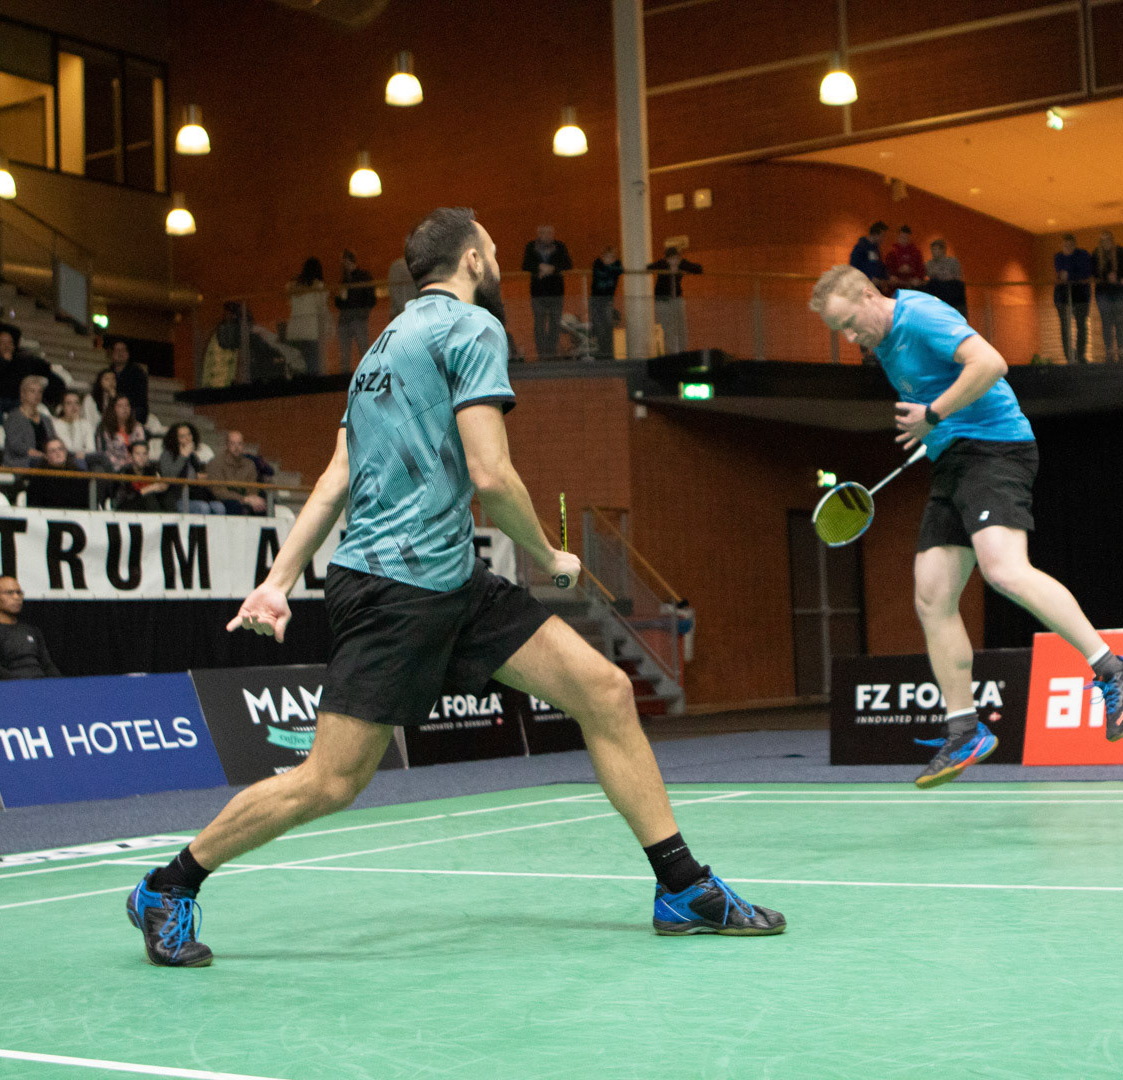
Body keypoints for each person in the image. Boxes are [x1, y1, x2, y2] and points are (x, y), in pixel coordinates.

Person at [126, 206, 783, 968]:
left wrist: (278, 581)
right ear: (471, 259)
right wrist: (548, 554)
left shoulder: (380, 351)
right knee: (331, 781)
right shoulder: (472, 330)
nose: (498, 262)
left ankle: (682, 886)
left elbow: (337, 475)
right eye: (494, 251)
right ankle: (168, 886)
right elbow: (490, 475)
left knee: (603, 691)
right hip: (393, 588)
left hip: (450, 577)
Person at [809, 264, 1123, 787]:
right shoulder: (886, 345)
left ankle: (1114, 669)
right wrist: (936, 432)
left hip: (996, 449)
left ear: (870, 297)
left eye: (850, 323)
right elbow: (944, 396)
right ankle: (964, 729)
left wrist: (934, 414)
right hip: (954, 460)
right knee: (932, 596)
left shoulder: (920, 315)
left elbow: (991, 363)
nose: (851, 338)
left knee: (1004, 570)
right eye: (841, 332)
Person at [0, 576, 61, 680]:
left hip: (42, 684)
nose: (16, 597)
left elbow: (48, 665)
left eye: (19, 593)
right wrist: (25, 685)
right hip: (12, 687)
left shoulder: (32, 630)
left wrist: (61, 684)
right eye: (9, 593)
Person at [522, 224, 572, 361]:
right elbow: (525, 265)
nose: (547, 236)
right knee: (539, 323)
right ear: (539, 234)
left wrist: (552, 269)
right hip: (538, 292)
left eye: (549, 233)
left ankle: (551, 352)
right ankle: (542, 353)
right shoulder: (531, 247)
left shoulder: (560, 246)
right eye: (544, 233)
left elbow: (567, 264)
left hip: (556, 292)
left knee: (555, 323)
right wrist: (539, 267)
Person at [646, 245, 703, 355]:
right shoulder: (662, 264)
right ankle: (670, 354)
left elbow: (698, 269)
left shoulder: (681, 263)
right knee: (668, 329)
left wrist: (680, 268)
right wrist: (668, 269)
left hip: (676, 298)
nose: (675, 261)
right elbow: (649, 268)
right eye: (672, 259)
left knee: (681, 327)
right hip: (662, 300)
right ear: (667, 259)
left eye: (677, 259)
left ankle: (683, 353)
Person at [159, 422, 226, 514]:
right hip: (177, 498)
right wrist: (183, 456)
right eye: (182, 436)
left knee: (219, 507)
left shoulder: (193, 456)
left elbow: (197, 477)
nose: (187, 438)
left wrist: (200, 479)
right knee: (203, 508)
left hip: (194, 495)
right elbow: (169, 476)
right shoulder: (167, 455)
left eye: (189, 435)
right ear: (175, 439)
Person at [334, 250, 378, 372]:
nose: (343, 265)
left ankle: (367, 374)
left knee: (362, 351)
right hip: (347, 319)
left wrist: (363, 312)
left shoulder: (360, 277)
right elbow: (339, 303)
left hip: (357, 318)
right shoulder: (345, 279)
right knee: (346, 355)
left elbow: (370, 298)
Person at [1052, 234, 1093, 364]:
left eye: (1070, 245)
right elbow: (1061, 275)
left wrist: (1069, 275)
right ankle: (1069, 356)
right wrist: (1072, 275)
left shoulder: (1083, 255)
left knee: (1081, 325)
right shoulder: (1058, 257)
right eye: (1065, 245)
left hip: (1080, 296)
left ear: (1075, 245)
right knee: (1065, 327)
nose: (1068, 248)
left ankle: (1080, 355)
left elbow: (1085, 274)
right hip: (1063, 297)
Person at [208, 430, 269, 515]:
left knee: (261, 505)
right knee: (234, 505)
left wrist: (253, 499)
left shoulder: (249, 464)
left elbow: (252, 488)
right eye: (232, 443)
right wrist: (244, 499)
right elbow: (218, 491)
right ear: (227, 445)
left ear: (243, 445)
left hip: (245, 499)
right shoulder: (216, 463)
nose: (236, 447)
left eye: (239, 444)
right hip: (223, 499)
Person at [286, 258, 331, 375]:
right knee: (313, 367)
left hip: (294, 331)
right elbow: (322, 307)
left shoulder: (293, 286)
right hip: (310, 331)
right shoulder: (318, 286)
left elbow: (289, 301)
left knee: (297, 368)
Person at [3, 375, 57, 468]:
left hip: (46, 459)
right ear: (23, 394)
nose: (37, 395)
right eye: (32, 391)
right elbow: (15, 445)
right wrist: (34, 453)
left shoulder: (46, 420)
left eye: (40, 392)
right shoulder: (14, 417)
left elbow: (53, 439)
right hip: (21, 461)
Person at [1093, 230, 1123, 363]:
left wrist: (1118, 277)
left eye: (1108, 239)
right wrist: (1107, 277)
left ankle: (1121, 350)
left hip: (1118, 291)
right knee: (1106, 322)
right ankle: (1109, 350)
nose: (1105, 243)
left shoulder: (1120, 252)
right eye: (1102, 240)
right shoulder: (1096, 254)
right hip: (1103, 292)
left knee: (1119, 321)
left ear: (1112, 240)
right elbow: (1094, 272)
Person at [25, 438, 91, 509]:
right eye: (53, 451)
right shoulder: (39, 477)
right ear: (46, 456)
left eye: (60, 449)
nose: (58, 453)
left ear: (65, 452)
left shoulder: (79, 475)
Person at [114, 440, 175, 512]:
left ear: (148, 455)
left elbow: (162, 485)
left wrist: (163, 486)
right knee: (149, 497)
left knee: (168, 497)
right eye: (137, 454)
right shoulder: (123, 473)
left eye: (144, 454)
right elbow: (124, 501)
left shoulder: (152, 470)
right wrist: (148, 489)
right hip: (128, 509)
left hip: (149, 507)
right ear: (130, 456)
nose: (141, 457)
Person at [106, 337, 150, 425]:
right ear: (112, 354)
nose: (120, 353)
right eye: (117, 350)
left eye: (123, 350)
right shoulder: (107, 373)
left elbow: (140, 400)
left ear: (128, 353)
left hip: (133, 415)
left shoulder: (137, 373)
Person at [96, 394, 145, 473]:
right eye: (120, 406)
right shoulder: (104, 428)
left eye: (127, 405)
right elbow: (102, 453)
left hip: (135, 467)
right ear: (113, 409)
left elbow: (142, 447)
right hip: (112, 469)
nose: (125, 409)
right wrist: (123, 464)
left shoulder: (138, 428)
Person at [589, 246, 623, 360]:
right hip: (596, 300)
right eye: (606, 257)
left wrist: (608, 270)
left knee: (608, 326)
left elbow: (619, 269)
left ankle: (609, 353)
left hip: (608, 300)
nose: (609, 260)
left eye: (612, 257)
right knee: (598, 326)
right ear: (602, 257)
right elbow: (599, 273)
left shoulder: (616, 266)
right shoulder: (597, 264)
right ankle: (601, 352)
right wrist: (610, 271)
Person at [925, 239, 967, 317]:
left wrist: (945, 277)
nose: (934, 252)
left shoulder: (952, 261)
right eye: (932, 250)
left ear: (942, 250)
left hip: (951, 291)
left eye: (936, 249)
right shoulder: (929, 264)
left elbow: (958, 276)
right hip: (937, 291)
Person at [52, 390, 96, 462]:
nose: (74, 407)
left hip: (83, 458)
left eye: (76, 403)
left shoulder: (86, 424)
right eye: (69, 403)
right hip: (62, 459)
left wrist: (82, 454)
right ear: (63, 407)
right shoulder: (55, 425)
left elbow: (91, 449)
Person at [848, 222, 889, 294]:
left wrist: (885, 278)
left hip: (876, 289)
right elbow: (854, 268)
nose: (883, 239)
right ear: (875, 234)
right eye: (882, 236)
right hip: (864, 289)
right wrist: (869, 278)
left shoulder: (876, 249)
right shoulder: (860, 248)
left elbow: (880, 266)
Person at [885, 226, 926, 290]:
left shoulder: (916, 252)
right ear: (898, 237)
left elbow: (920, 268)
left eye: (906, 237)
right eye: (902, 237)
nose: (904, 240)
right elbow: (888, 268)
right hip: (896, 284)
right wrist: (896, 272)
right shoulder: (891, 252)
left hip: (912, 284)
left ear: (909, 237)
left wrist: (915, 275)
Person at [387, 255, 417, 321]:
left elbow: (393, 290)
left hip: (400, 312)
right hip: (412, 310)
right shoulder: (416, 266)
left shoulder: (396, 265)